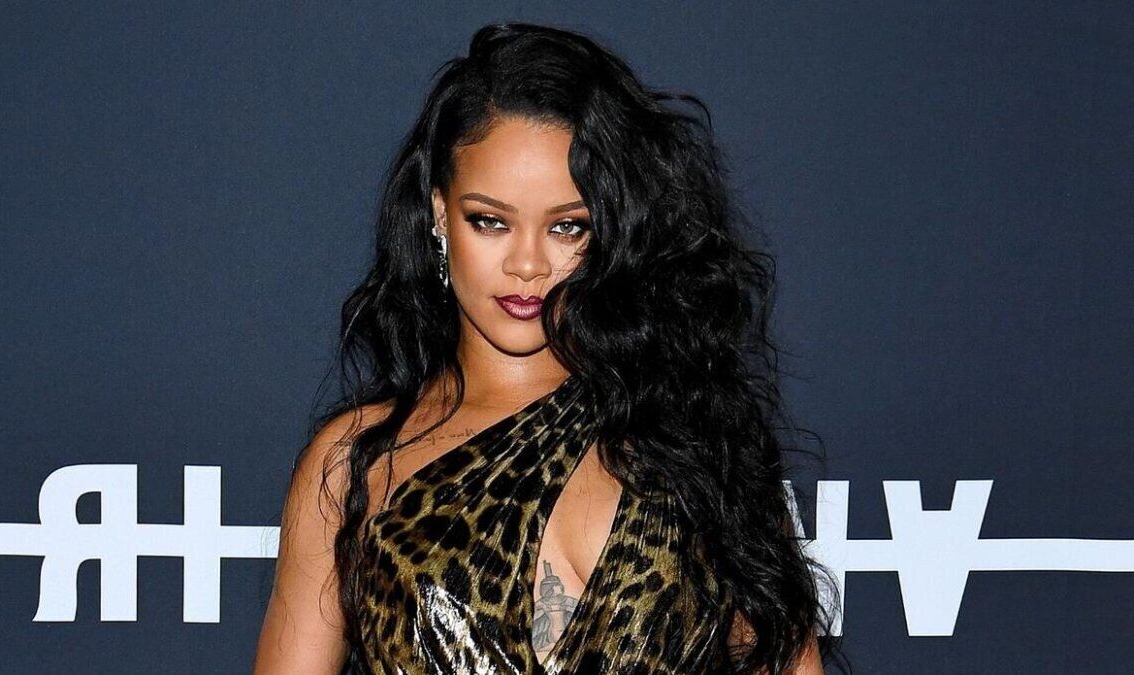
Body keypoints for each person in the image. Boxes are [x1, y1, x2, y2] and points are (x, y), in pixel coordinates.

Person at [255, 21, 844, 675]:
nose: (528, 264)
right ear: (439, 214)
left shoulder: (696, 440)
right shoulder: (355, 464)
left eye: (567, 227)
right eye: (490, 221)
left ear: (610, 231)